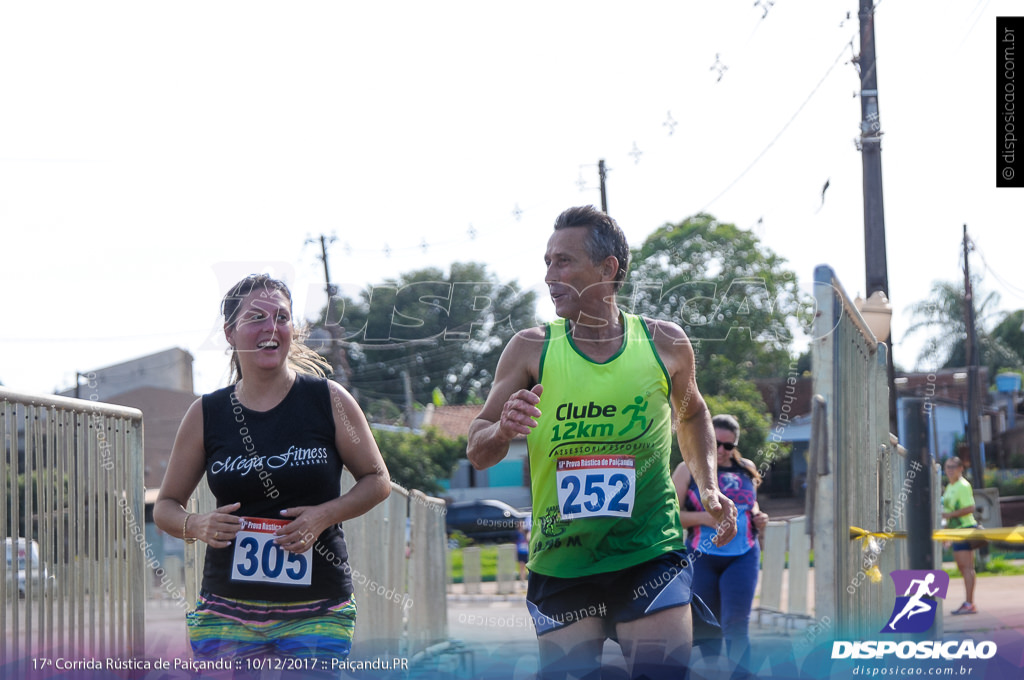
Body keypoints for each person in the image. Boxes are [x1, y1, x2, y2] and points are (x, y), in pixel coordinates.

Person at [467, 205, 737, 680]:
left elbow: (692, 413)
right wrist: (503, 430)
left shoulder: (664, 344)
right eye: (547, 262)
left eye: (563, 261)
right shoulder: (531, 349)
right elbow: (477, 447)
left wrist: (708, 485)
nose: (549, 274)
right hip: (563, 558)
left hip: (648, 551)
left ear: (608, 268)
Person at [154, 274, 392, 669]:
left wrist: (323, 515)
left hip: (317, 607)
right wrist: (195, 524)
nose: (271, 327)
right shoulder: (206, 413)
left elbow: (378, 480)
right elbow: (165, 505)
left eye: (281, 317)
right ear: (230, 333)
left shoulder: (328, 399)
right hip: (226, 608)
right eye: (256, 317)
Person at [673, 414, 767, 676]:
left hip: (743, 554)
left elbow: (750, 505)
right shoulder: (686, 469)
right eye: (716, 443)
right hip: (702, 556)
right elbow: (671, 516)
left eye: (729, 445)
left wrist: (759, 517)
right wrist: (705, 518)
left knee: (736, 625)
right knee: (707, 627)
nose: (722, 451)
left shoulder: (746, 468)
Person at [941, 456, 979, 615]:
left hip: (965, 528)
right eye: (947, 467)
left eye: (953, 467)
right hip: (956, 531)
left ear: (960, 469)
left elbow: (970, 508)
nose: (949, 470)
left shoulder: (963, 486)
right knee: (963, 568)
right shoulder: (950, 486)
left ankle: (969, 603)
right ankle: (969, 602)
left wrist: (949, 516)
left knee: (967, 568)